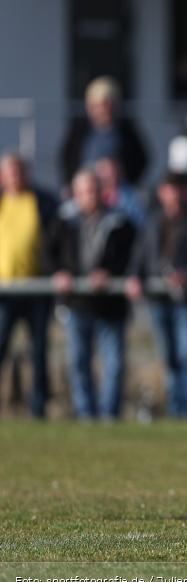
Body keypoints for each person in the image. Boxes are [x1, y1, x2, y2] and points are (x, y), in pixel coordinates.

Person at [45, 169, 136, 420]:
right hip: (78, 302)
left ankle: (109, 415)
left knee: (113, 363)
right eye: (85, 191)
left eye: (94, 190)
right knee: (78, 361)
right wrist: (59, 272)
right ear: (76, 194)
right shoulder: (64, 221)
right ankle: (85, 414)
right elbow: (47, 253)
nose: (91, 196)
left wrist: (110, 273)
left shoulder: (120, 222)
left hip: (110, 303)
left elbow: (133, 257)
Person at [126, 174, 187, 418]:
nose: (174, 195)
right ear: (161, 192)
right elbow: (141, 253)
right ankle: (176, 409)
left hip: (186, 299)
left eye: (178, 190)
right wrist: (135, 276)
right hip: (159, 298)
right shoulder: (153, 221)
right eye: (169, 190)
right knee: (169, 357)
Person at [0, 153, 58, 418]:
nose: (15, 177)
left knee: (38, 351)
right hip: (5, 291)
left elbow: (56, 241)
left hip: (37, 288)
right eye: (10, 172)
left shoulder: (43, 202)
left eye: (19, 171)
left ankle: (38, 407)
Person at [60, 76, 149, 189]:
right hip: (86, 190)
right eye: (96, 106)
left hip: (117, 192)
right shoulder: (79, 129)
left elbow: (141, 159)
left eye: (105, 105)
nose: (101, 110)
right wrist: (72, 183)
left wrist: (127, 180)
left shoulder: (126, 130)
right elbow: (66, 158)